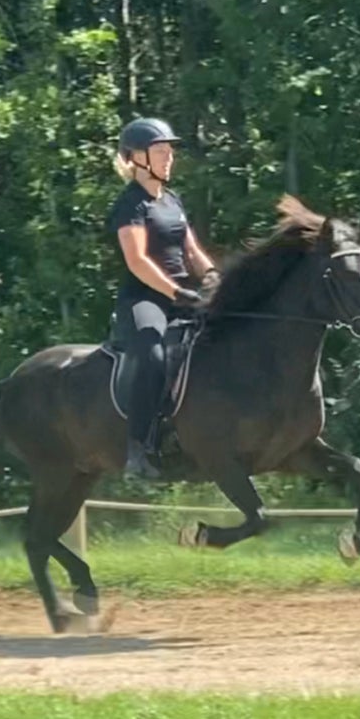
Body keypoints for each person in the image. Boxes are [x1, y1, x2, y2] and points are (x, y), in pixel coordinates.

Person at [108, 117, 219, 479]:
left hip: (183, 294)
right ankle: (137, 448)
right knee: (154, 353)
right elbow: (137, 261)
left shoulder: (172, 200)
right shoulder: (131, 205)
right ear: (136, 158)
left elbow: (191, 250)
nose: (169, 158)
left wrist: (215, 278)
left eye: (170, 151)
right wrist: (176, 291)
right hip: (146, 299)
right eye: (160, 151)